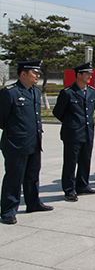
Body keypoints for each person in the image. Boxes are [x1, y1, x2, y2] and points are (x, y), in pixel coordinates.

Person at [0, 60, 53, 224]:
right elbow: (2, 119)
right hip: (16, 144)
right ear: (23, 74)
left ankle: (33, 203)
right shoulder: (10, 92)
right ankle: (8, 210)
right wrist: (15, 133)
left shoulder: (35, 91)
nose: (38, 75)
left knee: (32, 175)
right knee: (14, 178)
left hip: (34, 142)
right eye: (34, 73)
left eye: (38, 73)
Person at [53, 62, 95, 202]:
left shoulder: (91, 91)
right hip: (72, 133)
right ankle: (69, 189)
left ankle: (82, 185)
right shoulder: (68, 92)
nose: (90, 76)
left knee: (85, 160)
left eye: (91, 74)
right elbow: (58, 112)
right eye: (87, 74)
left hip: (87, 131)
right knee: (70, 162)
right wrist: (71, 123)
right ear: (78, 75)